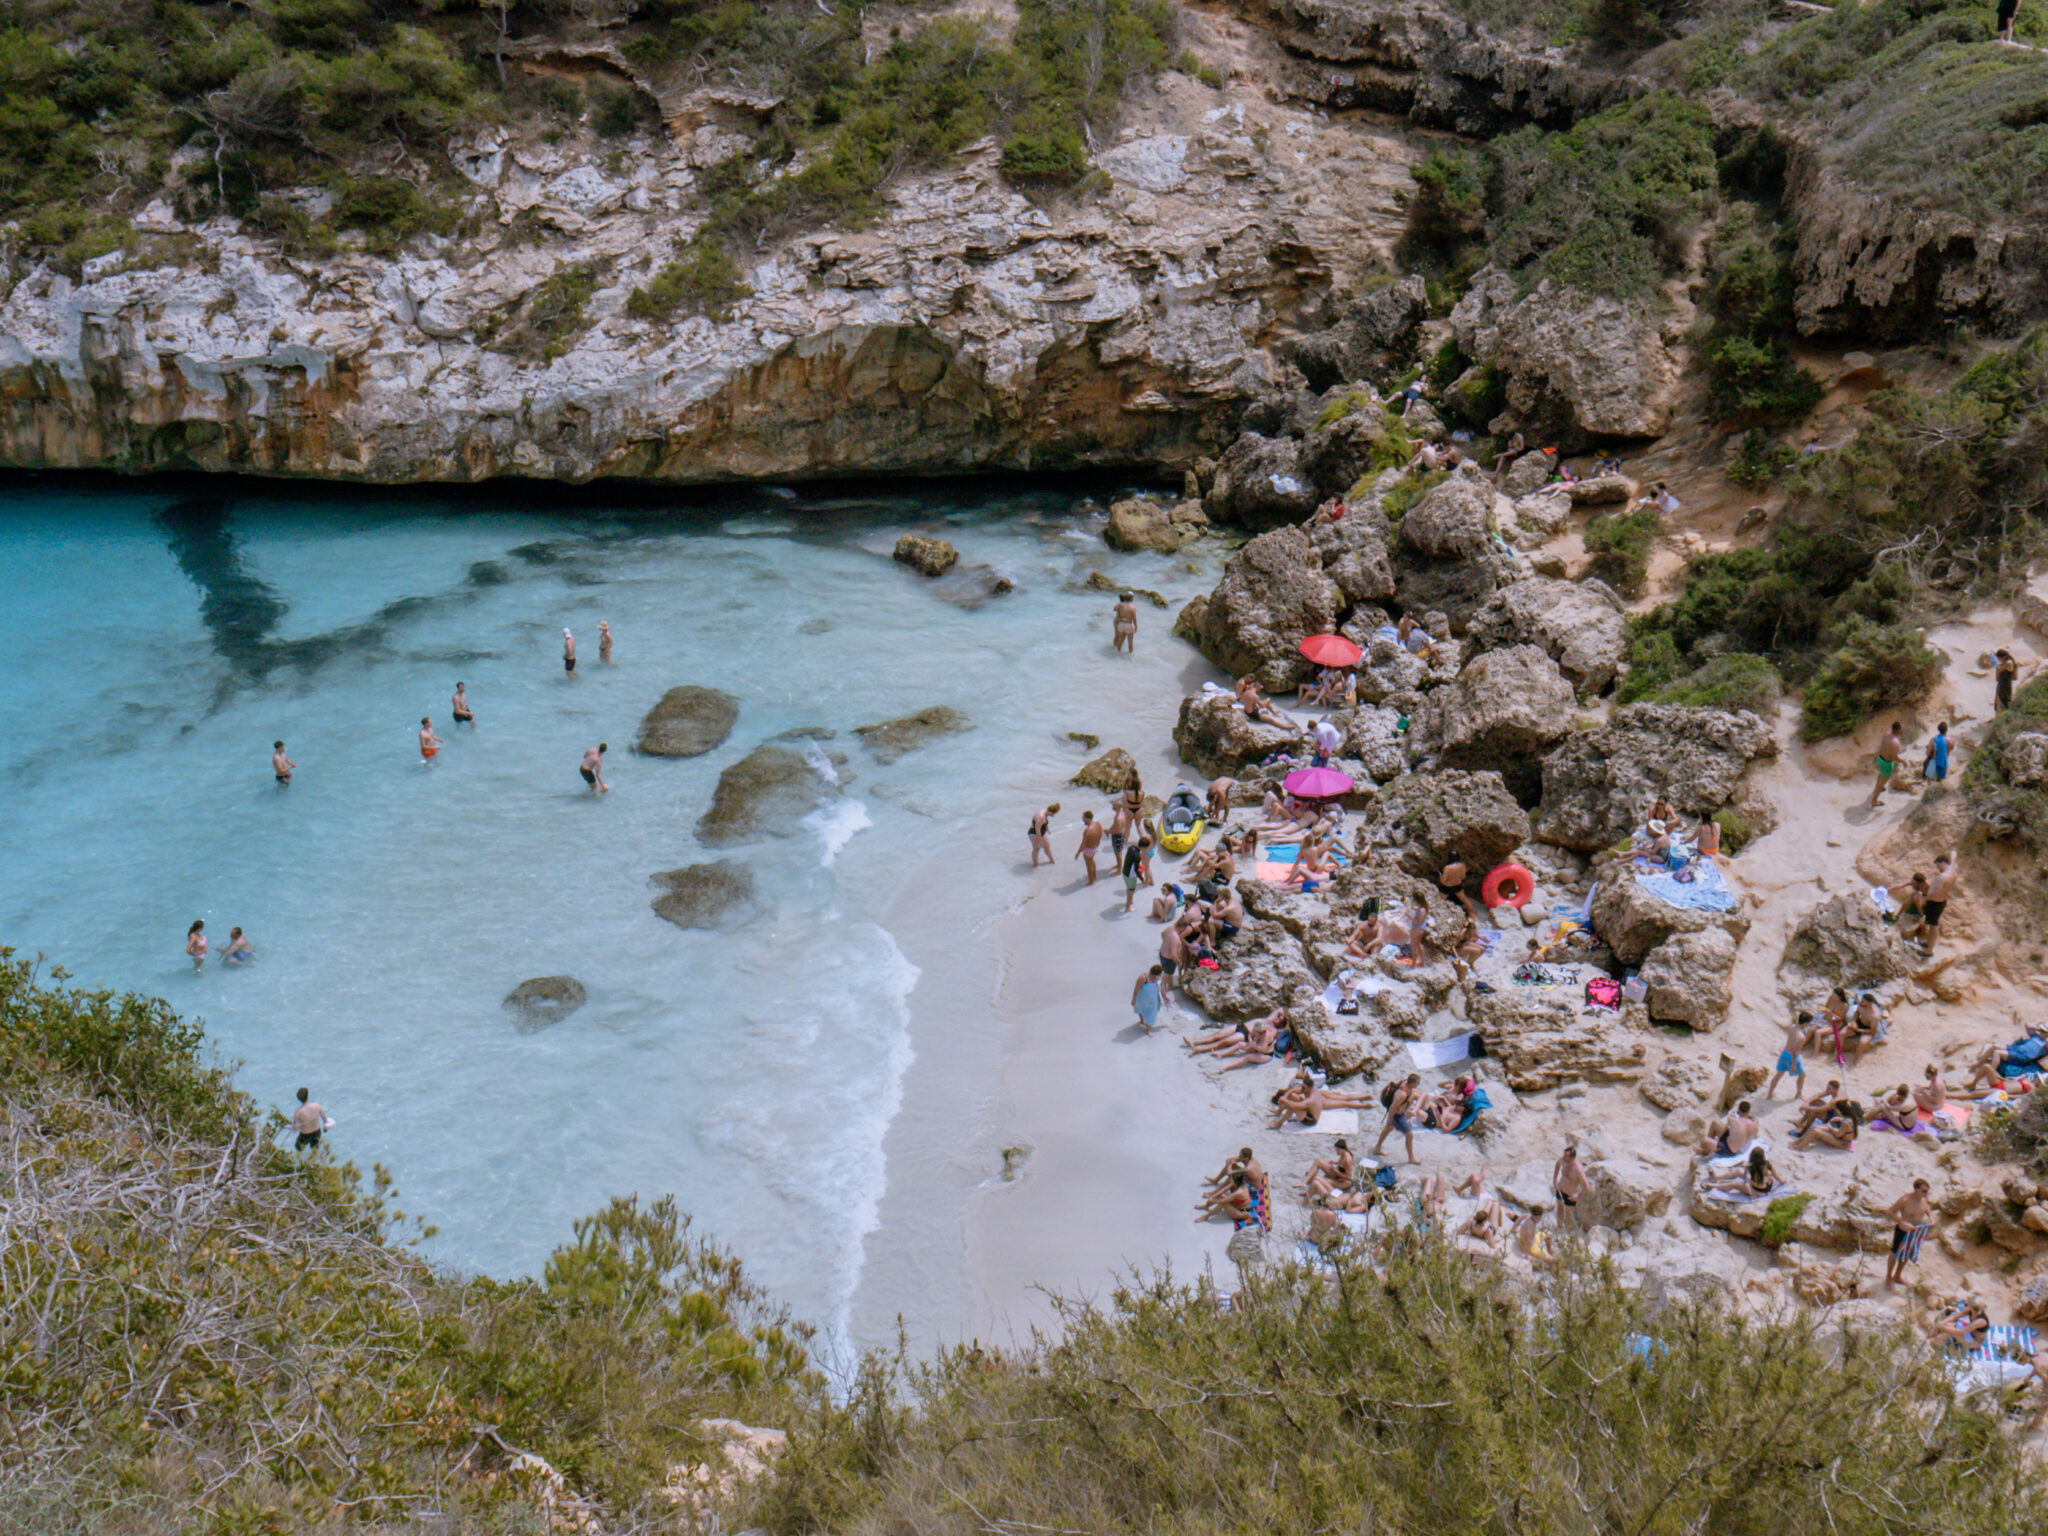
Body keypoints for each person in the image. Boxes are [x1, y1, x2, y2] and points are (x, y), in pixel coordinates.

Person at [1884, 1179, 1935, 1287]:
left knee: (1907, 1253)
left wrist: (1931, 1217)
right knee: (1894, 1253)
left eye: (1927, 1191)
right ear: (1916, 1189)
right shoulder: (1905, 1199)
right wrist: (1902, 1222)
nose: (1926, 1193)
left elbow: (1926, 1209)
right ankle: (1888, 1276)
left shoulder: (1924, 1198)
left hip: (1916, 1230)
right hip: (1903, 1230)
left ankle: (1897, 1275)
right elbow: (1890, 1212)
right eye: (1923, 1191)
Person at [1373, 1073, 1423, 1165]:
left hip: (1400, 1114)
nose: (1418, 1085)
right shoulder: (1402, 1094)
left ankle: (1377, 1148)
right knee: (1409, 1135)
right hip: (1397, 1116)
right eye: (1417, 1083)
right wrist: (1389, 1120)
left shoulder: (1405, 1082)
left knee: (1387, 1129)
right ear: (1413, 1083)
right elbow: (1392, 1108)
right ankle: (1411, 1158)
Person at [1768, 1012, 1814, 1098]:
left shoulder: (1792, 1028)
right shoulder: (1802, 1037)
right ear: (1805, 1023)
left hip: (1784, 1053)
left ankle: (1770, 1094)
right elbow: (1795, 1051)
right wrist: (1793, 1065)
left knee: (1778, 1075)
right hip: (1792, 1057)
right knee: (1802, 1075)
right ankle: (1798, 1094)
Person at [1703, 1146, 1778, 1198]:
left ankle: (1712, 1187)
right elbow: (1779, 1178)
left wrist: (1753, 1195)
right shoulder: (1768, 1164)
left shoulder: (1749, 1167)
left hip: (1758, 1191)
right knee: (1738, 1171)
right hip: (1765, 1187)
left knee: (1734, 1184)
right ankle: (1716, 1178)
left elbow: (1746, 1185)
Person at [1923, 850, 1960, 951]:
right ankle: (1928, 943)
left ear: (1942, 863)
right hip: (1942, 901)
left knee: (1933, 926)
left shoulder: (1942, 877)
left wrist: (1925, 899)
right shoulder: (1954, 870)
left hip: (1935, 902)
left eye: (1938, 866)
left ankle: (1929, 951)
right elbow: (1953, 858)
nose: (1938, 869)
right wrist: (1953, 854)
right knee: (1932, 924)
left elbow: (1936, 892)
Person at [1869, 721, 1905, 808]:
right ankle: (1874, 801)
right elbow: (1894, 757)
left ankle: (1878, 788)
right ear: (1898, 731)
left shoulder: (1886, 734)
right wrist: (1903, 761)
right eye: (1901, 729)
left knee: (1880, 775)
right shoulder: (1895, 742)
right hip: (1886, 763)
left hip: (1880, 758)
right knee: (1882, 782)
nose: (1903, 730)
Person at [1552, 1144, 1588, 1227]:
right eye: (1564, 1155)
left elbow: (1586, 1187)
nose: (1564, 1157)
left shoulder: (1578, 1170)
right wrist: (1554, 1179)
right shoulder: (1563, 1161)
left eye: (1566, 1156)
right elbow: (1557, 1165)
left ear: (1572, 1158)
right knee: (1559, 1209)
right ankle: (1559, 1228)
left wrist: (1578, 1196)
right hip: (1560, 1189)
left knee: (1569, 1215)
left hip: (1570, 1195)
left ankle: (1568, 1233)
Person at [1121, 834, 1154, 914]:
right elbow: (1136, 870)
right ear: (1143, 847)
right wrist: (1142, 879)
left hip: (1125, 871)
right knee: (1131, 891)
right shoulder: (1137, 856)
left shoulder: (1131, 848)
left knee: (1129, 888)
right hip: (1130, 875)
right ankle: (1128, 907)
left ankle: (1130, 901)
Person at [1131, 964, 1165, 1033]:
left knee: (1151, 1015)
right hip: (1142, 998)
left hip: (1152, 1000)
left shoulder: (1159, 978)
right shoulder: (1143, 978)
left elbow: (1162, 986)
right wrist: (1134, 999)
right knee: (1140, 1009)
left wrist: (1165, 996)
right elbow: (1136, 988)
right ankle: (1142, 1020)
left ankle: (1147, 1030)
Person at [292, 1087, 327, 1152]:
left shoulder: (298, 1112)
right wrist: (325, 1128)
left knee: (298, 1149)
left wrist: (293, 1127)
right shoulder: (317, 1105)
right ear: (307, 1096)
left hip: (305, 1135)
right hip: (317, 1132)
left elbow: (296, 1128)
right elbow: (325, 1120)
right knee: (314, 1150)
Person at [1027, 803, 1058, 867]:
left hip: (1041, 832)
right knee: (1037, 848)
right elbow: (1037, 830)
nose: (1053, 815)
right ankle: (1035, 864)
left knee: (1047, 846)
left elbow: (1045, 823)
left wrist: (1048, 830)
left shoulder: (1045, 811)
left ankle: (1052, 860)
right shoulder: (1041, 817)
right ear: (1050, 811)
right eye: (1053, 814)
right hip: (1034, 833)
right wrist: (1040, 841)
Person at [1995, 649, 2019, 713]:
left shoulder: (2008, 662)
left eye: (1999, 658)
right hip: (2002, 683)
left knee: (2003, 702)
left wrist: (1998, 668)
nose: (1998, 659)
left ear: (2003, 657)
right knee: (2000, 701)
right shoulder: (2005, 663)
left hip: (2005, 684)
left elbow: (1999, 671)